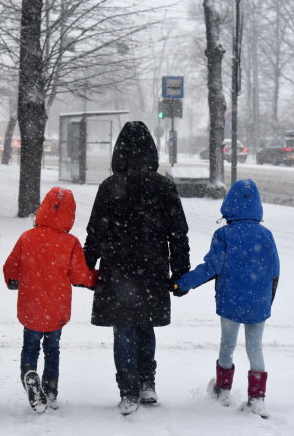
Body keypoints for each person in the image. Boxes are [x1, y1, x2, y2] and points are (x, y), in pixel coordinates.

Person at [83, 121, 191, 415]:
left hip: (117, 270)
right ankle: (147, 383)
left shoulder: (110, 186)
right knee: (145, 326)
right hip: (152, 268)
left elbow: (96, 232)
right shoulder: (164, 186)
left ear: (119, 151)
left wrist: (86, 267)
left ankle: (128, 389)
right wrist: (180, 272)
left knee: (124, 330)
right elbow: (178, 233)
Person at [174, 179, 280, 419]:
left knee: (227, 344)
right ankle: (257, 398)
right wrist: (266, 301)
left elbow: (211, 267)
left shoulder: (224, 234)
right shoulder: (266, 235)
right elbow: (274, 271)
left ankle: (222, 390)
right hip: (258, 302)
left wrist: (182, 283)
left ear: (229, 204)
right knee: (255, 347)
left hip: (230, 301)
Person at [3, 187, 98, 414]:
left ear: (44, 208)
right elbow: (79, 275)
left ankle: (28, 374)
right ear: (70, 213)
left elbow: (11, 267)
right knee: (52, 349)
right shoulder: (70, 242)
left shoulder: (27, 238)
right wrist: (97, 279)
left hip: (31, 305)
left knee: (30, 346)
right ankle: (50, 388)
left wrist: (12, 280)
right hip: (57, 307)